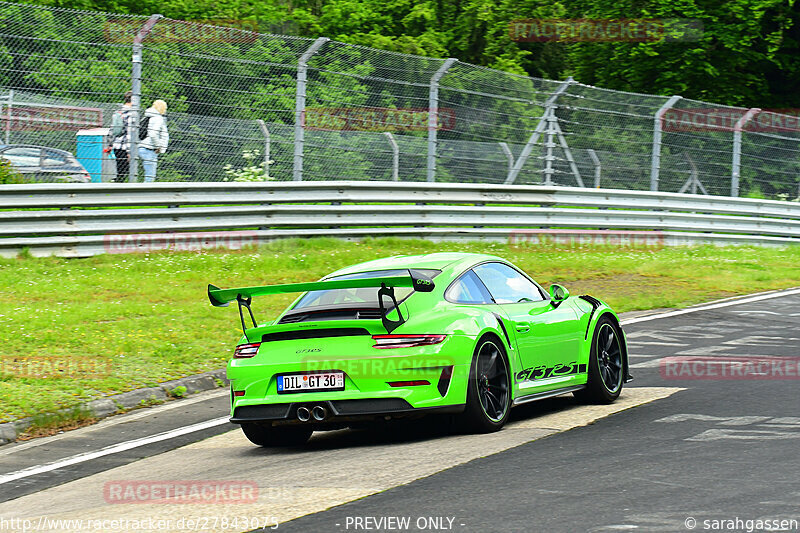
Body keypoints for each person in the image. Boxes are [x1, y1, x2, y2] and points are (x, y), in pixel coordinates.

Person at [138, 99, 169, 182]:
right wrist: (158, 146)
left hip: (141, 146)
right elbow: (153, 134)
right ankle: (145, 193)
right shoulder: (158, 118)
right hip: (149, 149)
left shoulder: (147, 116)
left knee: (145, 174)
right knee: (150, 176)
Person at [110, 91, 133, 182]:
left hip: (116, 145)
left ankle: (116, 186)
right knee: (124, 172)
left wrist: (110, 144)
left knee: (120, 170)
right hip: (125, 146)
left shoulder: (118, 112)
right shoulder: (131, 114)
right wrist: (129, 151)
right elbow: (130, 133)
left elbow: (112, 130)